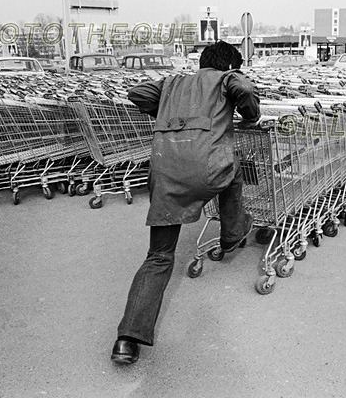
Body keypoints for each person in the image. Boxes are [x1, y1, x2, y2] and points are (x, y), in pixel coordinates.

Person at [111, 41, 260, 365]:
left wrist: (166, 111)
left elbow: (137, 93)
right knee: (234, 169)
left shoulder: (173, 82)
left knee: (159, 257)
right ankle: (233, 234)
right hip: (209, 170)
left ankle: (127, 339)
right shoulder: (226, 80)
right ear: (230, 66)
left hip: (165, 172)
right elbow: (244, 90)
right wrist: (250, 112)